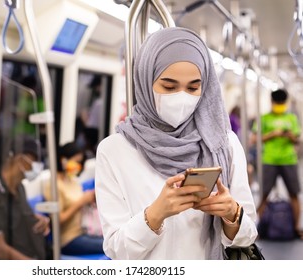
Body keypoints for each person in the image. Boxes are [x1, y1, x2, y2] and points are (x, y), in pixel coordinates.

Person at [94, 27, 258, 260]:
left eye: (193, 87)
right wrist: (155, 215)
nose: (181, 97)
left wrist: (232, 213)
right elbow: (117, 250)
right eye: (169, 87)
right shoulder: (114, 151)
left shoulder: (223, 143)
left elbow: (248, 235)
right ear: (145, 81)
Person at [0, 136, 51, 260]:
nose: (38, 167)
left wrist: (38, 220)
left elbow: (16, 217)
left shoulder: (19, 188)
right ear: (20, 160)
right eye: (35, 162)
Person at [252, 88, 302, 238]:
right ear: (272, 102)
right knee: (263, 195)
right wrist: (272, 134)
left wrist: (290, 136)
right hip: (269, 160)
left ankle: (295, 229)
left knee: (294, 194)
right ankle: (259, 230)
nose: (279, 105)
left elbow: (297, 139)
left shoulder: (292, 118)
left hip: (289, 160)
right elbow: (254, 139)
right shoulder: (264, 118)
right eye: (277, 102)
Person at [43, 142, 104, 255]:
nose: (78, 165)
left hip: (84, 231)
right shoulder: (53, 185)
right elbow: (58, 220)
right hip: (68, 239)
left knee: (114, 240)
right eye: (76, 161)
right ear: (63, 160)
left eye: (80, 162)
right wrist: (81, 202)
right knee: (111, 245)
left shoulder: (72, 181)